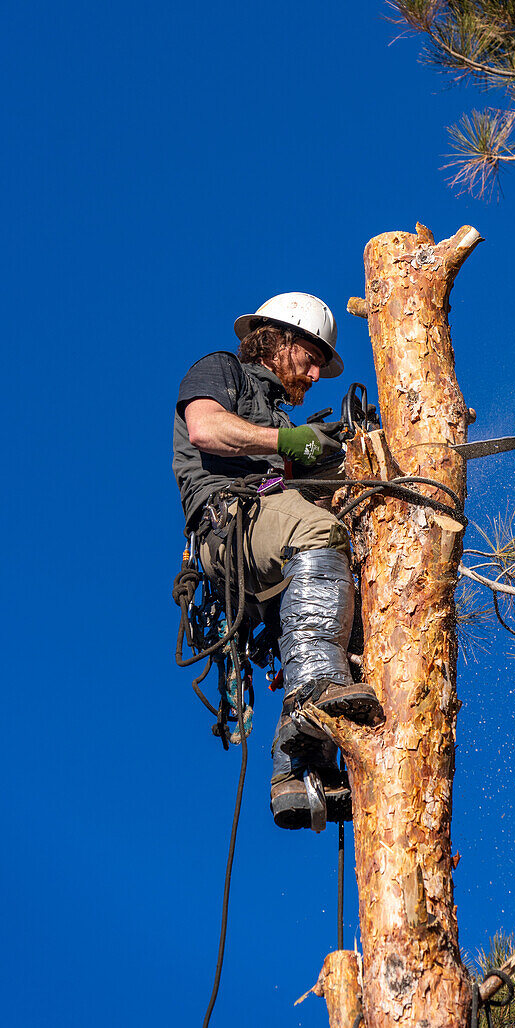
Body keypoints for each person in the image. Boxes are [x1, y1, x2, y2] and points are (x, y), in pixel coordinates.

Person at [172, 292, 381, 830]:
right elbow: (206, 429)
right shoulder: (222, 370)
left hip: (263, 534)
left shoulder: (277, 414)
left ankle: (299, 773)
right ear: (279, 339)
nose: (315, 373)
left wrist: (335, 452)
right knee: (318, 530)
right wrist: (287, 441)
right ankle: (313, 690)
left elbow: (285, 471)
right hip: (230, 526)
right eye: (310, 358)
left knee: (352, 626)